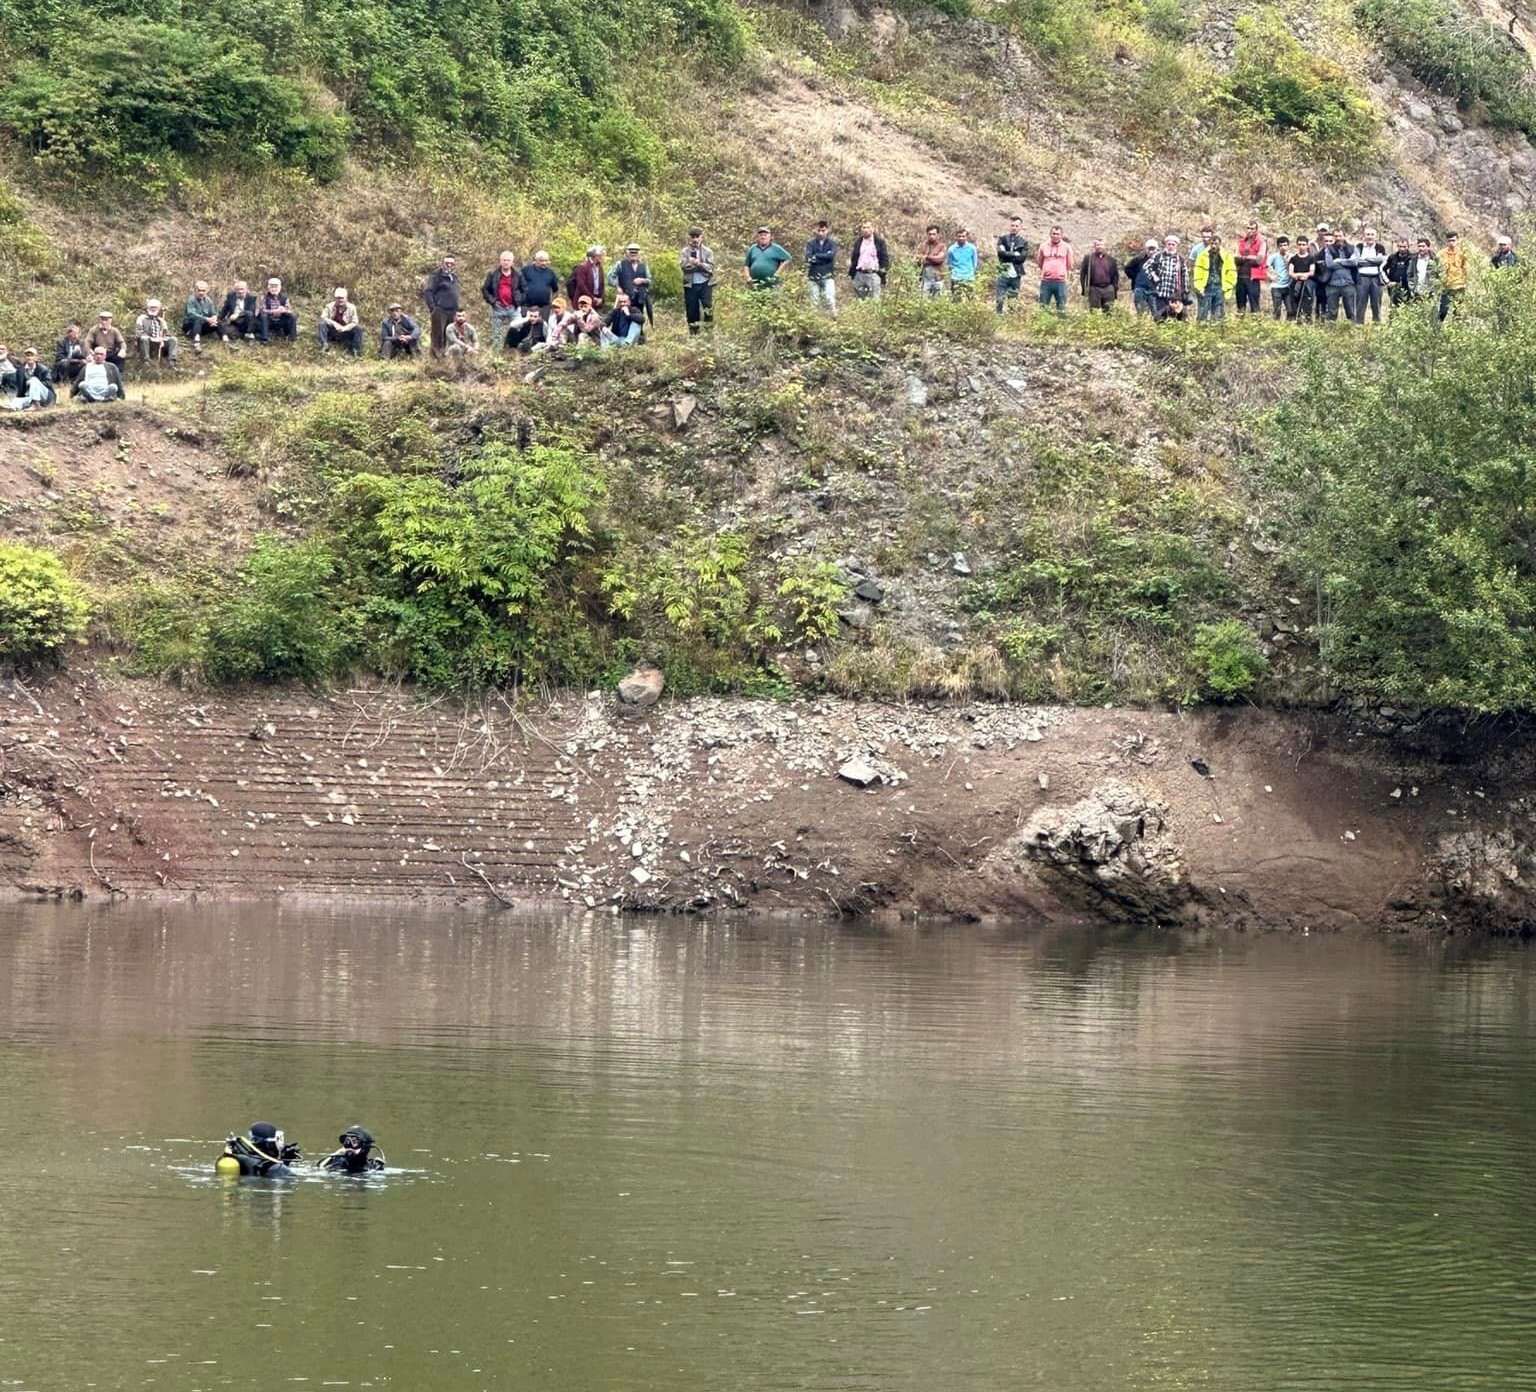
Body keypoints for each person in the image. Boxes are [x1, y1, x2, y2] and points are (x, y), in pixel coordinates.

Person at [216, 1122, 300, 1178]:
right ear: (270, 1143)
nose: (281, 1145)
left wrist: (285, 1161)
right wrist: (284, 1166)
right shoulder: (278, 1169)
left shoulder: (241, 1157)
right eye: (279, 1141)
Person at [482, 251, 520, 351]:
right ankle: (496, 354)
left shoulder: (518, 275)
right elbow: (485, 289)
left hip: (513, 307)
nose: (506, 262)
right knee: (497, 333)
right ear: (500, 261)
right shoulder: (493, 274)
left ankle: (513, 351)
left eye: (508, 260)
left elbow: (524, 289)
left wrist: (519, 301)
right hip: (498, 307)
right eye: (504, 260)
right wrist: (493, 301)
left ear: (512, 262)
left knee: (517, 328)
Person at [679, 228, 715, 335]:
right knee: (691, 310)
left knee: (708, 308)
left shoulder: (708, 251)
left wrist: (699, 264)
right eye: (693, 237)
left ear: (701, 238)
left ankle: (709, 332)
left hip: (705, 284)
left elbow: (710, 268)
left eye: (697, 237)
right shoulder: (685, 252)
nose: (695, 239)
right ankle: (694, 333)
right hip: (690, 284)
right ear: (689, 238)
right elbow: (684, 267)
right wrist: (696, 265)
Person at [423, 254, 460, 356]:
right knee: (437, 335)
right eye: (447, 263)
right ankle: (435, 358)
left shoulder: (454, 277)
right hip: (440, 311)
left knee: (449, 335)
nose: (449, 265)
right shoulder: (436, 276)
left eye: (451, 263)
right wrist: (433, 308)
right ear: (442, 263)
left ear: (454, 264)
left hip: (452, 311)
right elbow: (428, 291)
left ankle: (445, 357)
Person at [1193, 232, 1234, 322]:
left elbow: (1232, 273)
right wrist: (1199, 287)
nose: (1214, 246)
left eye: (1216, 244)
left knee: (1218, 315)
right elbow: (1197, 272)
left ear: (1220, 244)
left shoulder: (1226, 257)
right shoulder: (1202, 256)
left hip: (1219, 287)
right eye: (1212, 244)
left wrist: (1227, 287)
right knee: (1203, 313)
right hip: (1206, 287)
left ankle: (1217, 329)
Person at [1147, 236, 1190, 321]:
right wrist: (1154, 275)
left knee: (1176, 316)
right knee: (1160, 317)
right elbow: (1147, 266)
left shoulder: (1180, 259)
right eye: (1169, 244)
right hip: (1160, 292)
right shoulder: (1158, 256)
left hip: (1174, 294)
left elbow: (1185, 276)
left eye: (1173, 244)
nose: (1171, 246)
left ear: (1176, 246)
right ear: (1166, 245)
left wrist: (1185, 291)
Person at [611, 245, 653, 326]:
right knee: (624, 318)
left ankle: (639, 333)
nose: (633, 255)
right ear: (627, 253)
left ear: (639, 254)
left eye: (635, 253)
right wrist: (617, 287)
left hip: (640, 298)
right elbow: (610, 277)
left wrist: (642, 280)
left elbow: (650, 280)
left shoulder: (644, 266)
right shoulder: (620, 264)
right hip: (625, 298)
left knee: (639, 318)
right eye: (631, 253)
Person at [1321, 231, 1358, 324]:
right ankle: (1331, 330)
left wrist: (1339, 261)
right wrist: (1347, 262)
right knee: (1332, 312)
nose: (1338, 238)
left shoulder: (1353, 248)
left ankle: (1352, 330)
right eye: (1336, 236)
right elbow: (1329, 264)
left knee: (1351, 311)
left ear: (1344, 236)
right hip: (1332, 283)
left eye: (1340, 236)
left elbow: (1355, 262)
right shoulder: (1329, 249)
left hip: (1348, 283)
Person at [315, 1125, 384, 1175]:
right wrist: (334, 1155)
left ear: (365, 1147)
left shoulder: (373, 1166)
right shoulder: (335, 1162)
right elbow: (319, 1169)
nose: (349, 1145)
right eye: (346, 1140)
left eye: (354, 1141)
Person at [995, 216, 1030, 314]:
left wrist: (1007, 254)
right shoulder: (1002, 239)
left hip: (1016, 274)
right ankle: (998, 317)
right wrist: (1015, 253)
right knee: (1000, 298)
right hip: (1003, 272)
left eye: (1016, 226)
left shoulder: (1024, 242)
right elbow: (1001, 253)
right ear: (1009, 226)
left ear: (1020, 227)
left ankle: (1011, 318)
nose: (1014, 228)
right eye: (1012, 225)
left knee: (1013, 300)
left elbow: (1022, 258)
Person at [1036, 226, 1074, 316]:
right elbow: (1040, 261)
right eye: (1053, 234)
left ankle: (1061, 323)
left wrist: (1061, 272)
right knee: (1043, 305)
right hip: (1046, 281)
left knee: (1061, 306)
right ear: (1050, 234)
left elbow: (1069, 264)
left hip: (1060, 282)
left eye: (1058, 234)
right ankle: (1042, 322)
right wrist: (1046, 270)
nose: (1055, 236)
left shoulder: (1067, 247)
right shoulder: (1043, 246)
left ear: (1061, 235)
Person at [1353, 228, 1388, 325]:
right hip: (1362, 278)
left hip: (1376, 278)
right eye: (1368, 234)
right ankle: (1359, 324)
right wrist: (1373, 261)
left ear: (1376, 236)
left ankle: (1377, 324)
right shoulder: (1359, 247)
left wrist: (1365, 260)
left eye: (1372, 234)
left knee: (1376, 303)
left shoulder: (1380, 247)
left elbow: (1381, 260)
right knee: (1360, 303)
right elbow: (1356, 261)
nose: (1370, 237)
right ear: (1363, 236)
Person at [805, 220, 839, 317]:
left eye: (823, 230)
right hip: (813, 275)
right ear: (815, 230)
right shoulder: (810, 243)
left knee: (830, 299)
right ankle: (814, 320)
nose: (820, 233)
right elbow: (808, 257)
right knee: (814, 301)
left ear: (827, 230)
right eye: (819, 230)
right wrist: (824, 257)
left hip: (828, 275)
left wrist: (816, 255)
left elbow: (831, 256)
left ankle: (833, 320)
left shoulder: (832, 243)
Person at [848, 221, 888, 302]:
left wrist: (881, 272)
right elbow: (854, 257)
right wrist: (853, 273)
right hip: (859, 274)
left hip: (873, 274)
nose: (866, 230)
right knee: (858, 302)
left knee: (874, 301)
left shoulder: (879, 241)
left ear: (873, 229)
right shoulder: (858, 242)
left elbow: (884, 258)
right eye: (864, 227)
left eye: (868, 227)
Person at [1078, 238, 1119, 313]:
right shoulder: (1088, 259)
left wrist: (1114, 288)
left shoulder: (1111, 259)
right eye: (1098, 245)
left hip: (1108, 289)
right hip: (1094, 289)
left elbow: (1115, 275)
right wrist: (1084, 289)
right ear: (1094, 246)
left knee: (1109, 312)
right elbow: (1083, 274)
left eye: (1102, 245)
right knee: (1094, 312)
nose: (1100, 247)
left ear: (1105, 246)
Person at [317, 288, 362, 356]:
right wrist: (334, 324)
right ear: (335, 298)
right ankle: (324, 345)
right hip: (332, 332)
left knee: (358, 329)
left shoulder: (352, 308)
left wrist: (344, 328)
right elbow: (323, 317)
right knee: (322, 324)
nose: (340, 300)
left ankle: (356, 351)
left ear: (346, 298)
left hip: (345, 333)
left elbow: (355, 322)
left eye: (342, 298)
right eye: (338, 298)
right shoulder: (329, 306)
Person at [1234, 221, 1267, 315]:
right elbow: (1236, 258)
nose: (1249, 230)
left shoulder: (1261, 242)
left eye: (1252, 228)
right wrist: (1251, 257)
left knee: (1254, 306)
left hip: (1253, 277)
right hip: (1240, 276)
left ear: (1256, 230)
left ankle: (1255, 322)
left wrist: (1244, 257)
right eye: (1248, 228)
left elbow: (1259, 260)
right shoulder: (1241, 241)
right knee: (1240, 306)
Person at [134, 298, 176, 366]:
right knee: (144, 338)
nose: (153, 309)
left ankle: (171, 362)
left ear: (158, 309)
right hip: (147, 343)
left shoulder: (161, 320)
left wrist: (162, 340)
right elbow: (139, 334)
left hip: (159, 343)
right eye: (151, 307)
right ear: (148, 308)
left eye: (155, 308)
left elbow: (166, 334)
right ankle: (145, 362)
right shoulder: (141, 318)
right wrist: (152, 339)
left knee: (173, 339)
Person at [516, 251, 560, 316]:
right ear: (536, 260)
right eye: (541, 260)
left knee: (543, 322)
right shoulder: (526, 270)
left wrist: (552, 303)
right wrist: (519, 300)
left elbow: (555, 290)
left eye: (546, 261)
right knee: (525, 322)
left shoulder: (550, 273)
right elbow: (517, 286)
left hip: (544, 307)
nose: (544, 263)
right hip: (526, 306)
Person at [567, 246, 607, 313]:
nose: (602, 257)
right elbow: (581, 285)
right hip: (583, 300)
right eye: (600, 255)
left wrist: (601, 298)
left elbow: (602, 284)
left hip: (596, 301)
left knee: (595, 318)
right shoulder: (583, 267)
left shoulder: (600, 267)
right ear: (594, 256)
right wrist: (592, 298)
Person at [1125, 239, 1159, 317]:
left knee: (1157, 314)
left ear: (1157, 249)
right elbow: (1127, 268)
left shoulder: (1160, 260)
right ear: (1146, 249)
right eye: (1149, 249)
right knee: (1141, 314)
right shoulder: (1139, 259)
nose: (1151, 251)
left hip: (1154, 290)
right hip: (1140, 289)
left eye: (1153, 249)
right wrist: (1135, 277)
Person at [1288, 236, 1319, 320]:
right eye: (1300, 244)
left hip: (1307, 284)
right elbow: (1290, 272)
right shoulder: (1293, 258)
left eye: (1303, 244)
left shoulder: (1311, 258)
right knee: (1294, 303)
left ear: (1307, 245)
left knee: (1307, 304)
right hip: (1295, 284)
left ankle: (1306, 320)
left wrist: (1305, 275)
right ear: (1297, 245)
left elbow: (1312, 272)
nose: (1301, 247)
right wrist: (1298, 275)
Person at [182, 281, 219, 350]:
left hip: (203, 326)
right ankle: (196, 342)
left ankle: (225, 340)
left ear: (207, 291)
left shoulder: (208, 300)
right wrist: (206, 319)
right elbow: (191, 314)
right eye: (199, 290)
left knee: (219, 323)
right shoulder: (191, 300)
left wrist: (214, 318)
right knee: (198, 320)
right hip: (190, 325)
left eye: (203, 291)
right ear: (195, 290)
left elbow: (213, 312)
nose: (201, 293)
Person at [1439, 232, 1467, 320]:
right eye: (1449, 241)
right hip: (1446, 286)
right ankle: (1438, 326)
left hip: (1459, 286)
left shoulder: (1462, 253)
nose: (1451, 243)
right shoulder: (1441, 254)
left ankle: (1457, 326)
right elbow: (1437, 268)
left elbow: (1465, 268)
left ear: (1457, 240)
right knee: (1443, 311)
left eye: (1453, 240)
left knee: (1458, 311)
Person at [259, 278, 297, 343]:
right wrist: (274, 311)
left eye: (276, 287)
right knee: (263, 316)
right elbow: (262, 310)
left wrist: (283, 310)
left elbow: (289, 310)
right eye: (272, 287)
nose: (273, 289)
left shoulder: (284, 297)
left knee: (293, 316)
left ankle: (292, 338)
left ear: (280, 287)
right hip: (269, 320)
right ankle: (264, 339)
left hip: (281, 319)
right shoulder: (264, 297)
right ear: (268, 287)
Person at [946, 228, 978, 300]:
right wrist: (953, 273)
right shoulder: (951, 249)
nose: (961, 238)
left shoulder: (972, 248)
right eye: (959, 236)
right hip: (956, 277)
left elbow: (974, 262)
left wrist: (972, 272)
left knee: (970, 298)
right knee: (956, 299)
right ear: (956, 237)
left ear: (966, 237)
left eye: (963, 236)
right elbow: (949, 264)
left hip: (969, 277)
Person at [1384, 236, 1416, 307]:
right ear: (1397, 246)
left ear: (1408, 246)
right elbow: (1383, 269)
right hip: (1394, 286)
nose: (1402, 249)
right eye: (1400, 246)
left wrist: (1413, 284)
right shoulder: (1392, 257)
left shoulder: (1413, 258)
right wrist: (1387, 281)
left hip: (1408, 286)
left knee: (1408, 306)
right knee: (1394, 307)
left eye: (1404, 246)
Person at [1266, 236, 1292, 319]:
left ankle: (1289, 325)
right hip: (1276, 286)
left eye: (1285, 245)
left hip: (1288, 286)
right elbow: (1264, 267)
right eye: (1281, 245)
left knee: (1290, 310)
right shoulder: (1274, 257)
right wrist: (1270, 276)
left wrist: (1287, 261)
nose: (1283, 247)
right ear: (1278, 247)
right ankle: (1276, 325)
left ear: (1288, 246)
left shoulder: (1292, 257)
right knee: (1277, 310)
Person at [918, 225, 947, 298]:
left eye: (934, 234)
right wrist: (932, 258)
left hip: (938, 278)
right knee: (923, 300)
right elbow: (918, 260)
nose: (932, 236)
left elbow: (939, 259)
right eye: (930, 234)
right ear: (927, 234)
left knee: (937, 301)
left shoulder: (942, 246)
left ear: (938, 235)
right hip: (925, 278)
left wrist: (927, 257)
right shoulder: (922, 246)